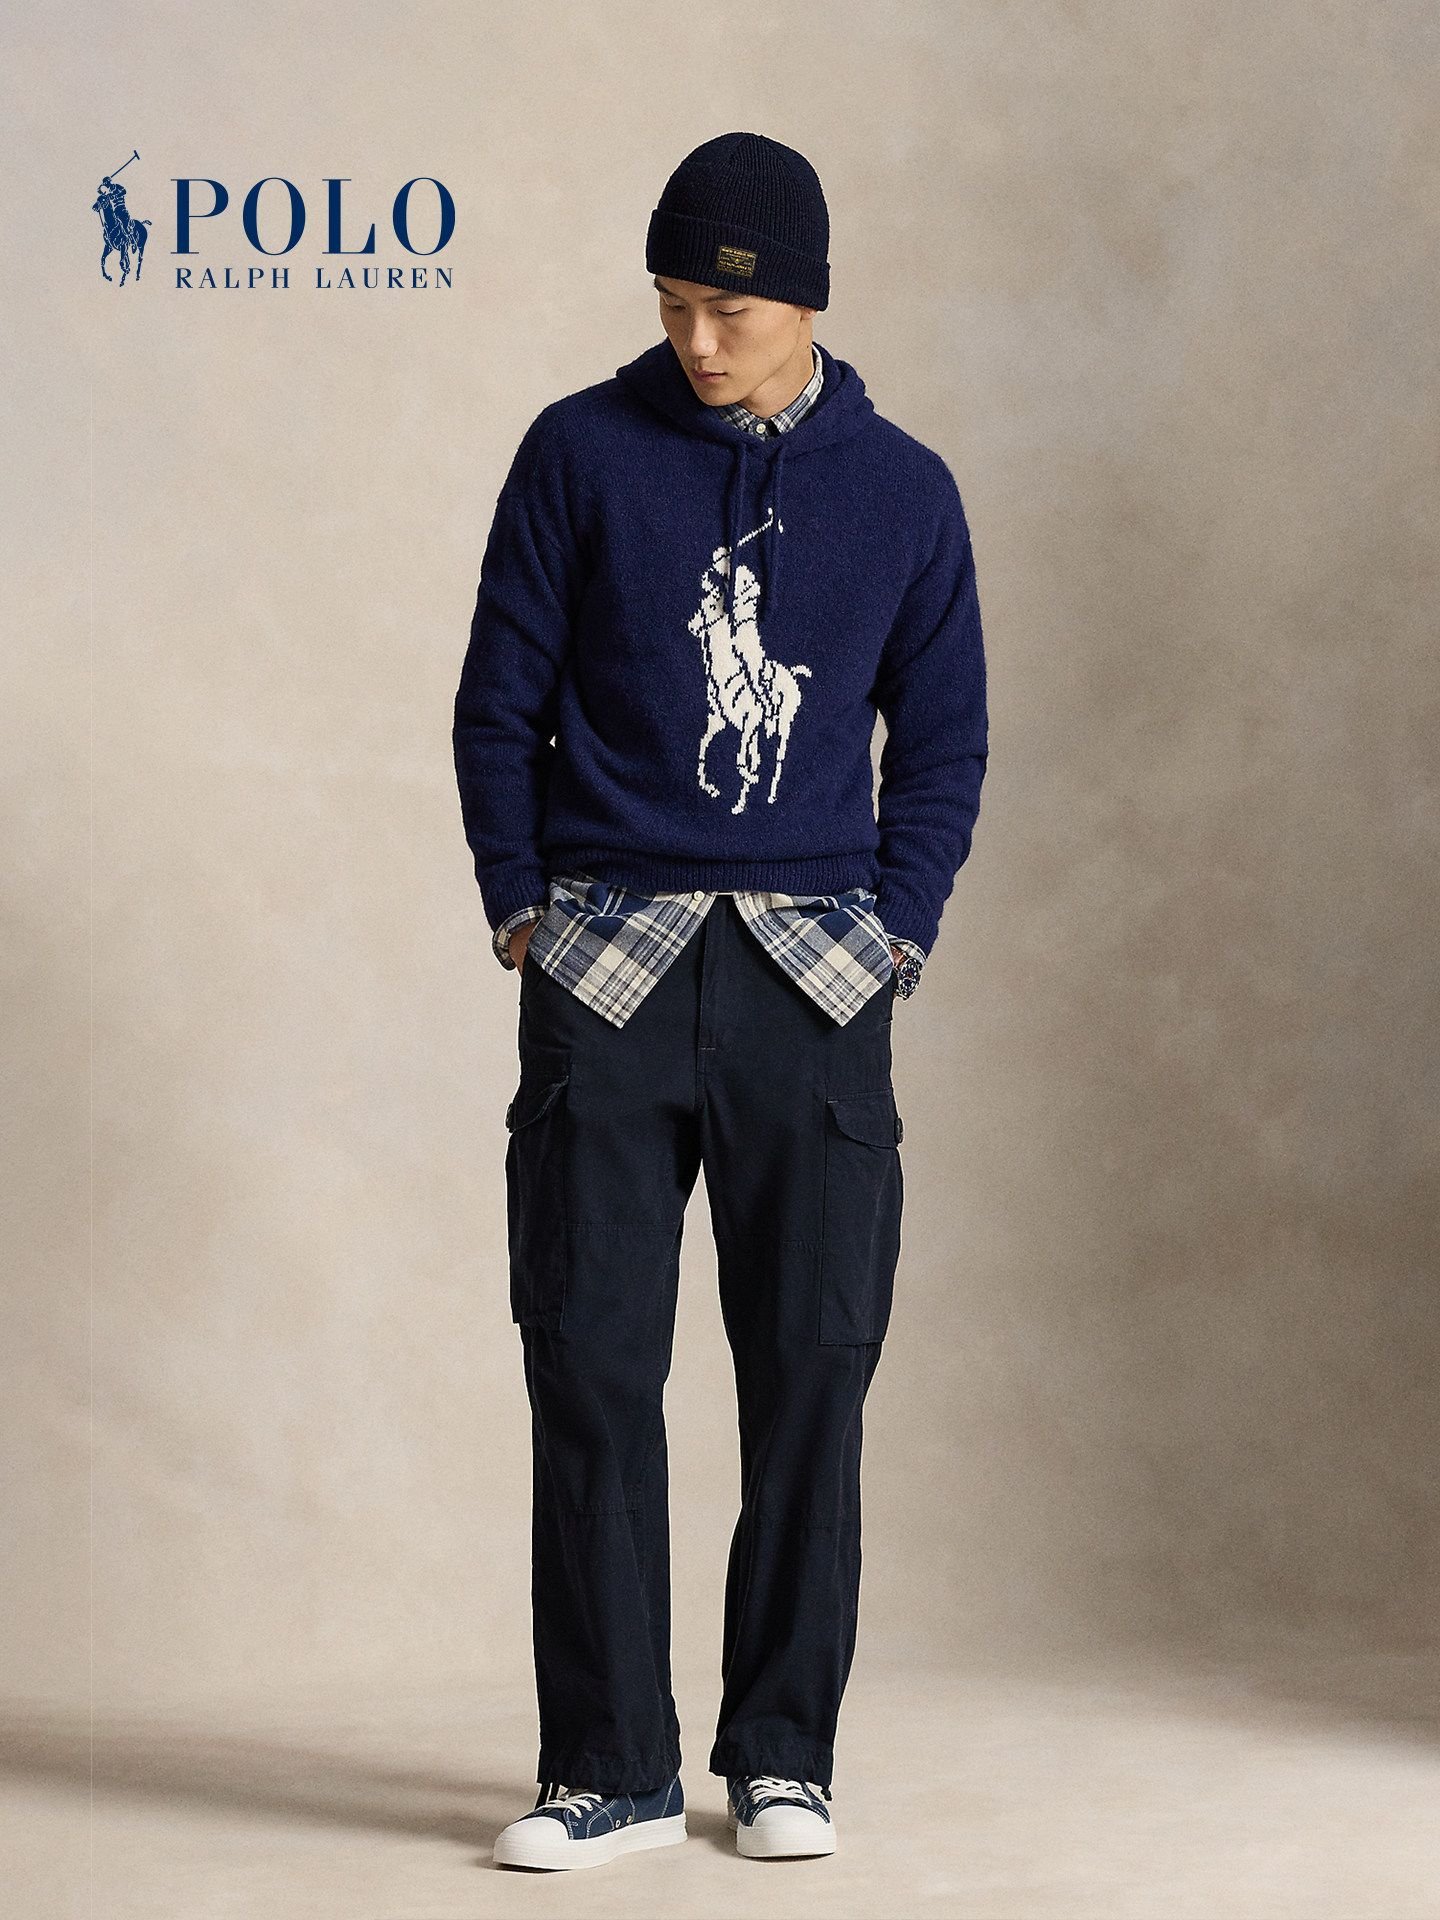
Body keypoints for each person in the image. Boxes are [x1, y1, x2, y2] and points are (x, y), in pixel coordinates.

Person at [452, 130, 988, 1873]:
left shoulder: (905, 492)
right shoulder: (576, 452)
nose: (695, 341)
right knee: (589, 1364)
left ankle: (782, 1758)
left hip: (814, 981)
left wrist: (894, 937)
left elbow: (945, 740)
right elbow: (497, 702)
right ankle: (608, 1769)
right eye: (674, 303)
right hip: (606, 969)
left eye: (730, 312)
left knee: (813, 1375)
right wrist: (525, 910)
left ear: (808, 301)